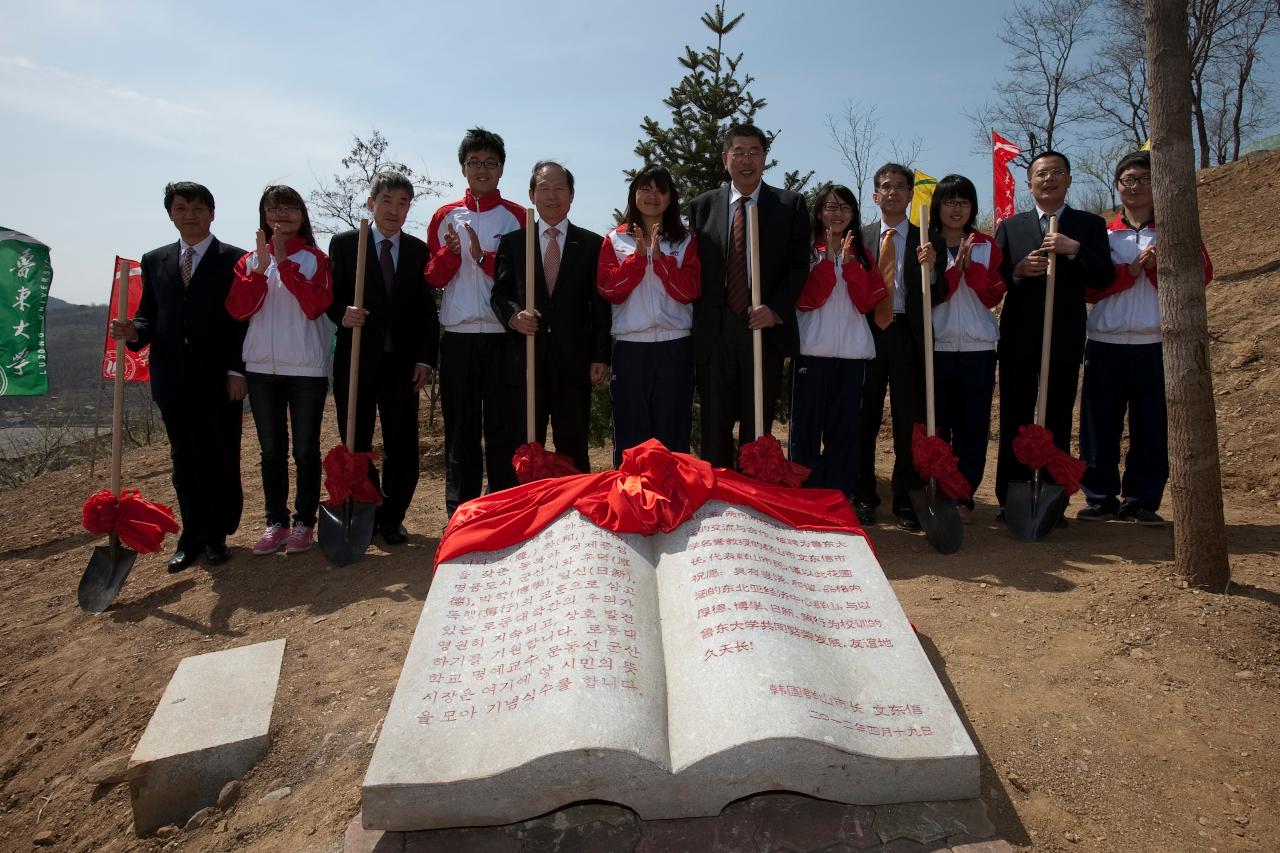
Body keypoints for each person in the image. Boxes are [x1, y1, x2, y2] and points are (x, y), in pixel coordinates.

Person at [109, 181, 247, 572]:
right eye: (182, 207)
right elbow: (150, 314)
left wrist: (238, 370)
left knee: (220, 455)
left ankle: (217, 535)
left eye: (199, 208)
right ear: (171, 214)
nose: (191, 214)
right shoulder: (154, 260)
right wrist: (134, 331)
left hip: (219, 378)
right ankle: (192, 536)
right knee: (184, 460)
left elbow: (241, 321)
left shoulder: (235, 260)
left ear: (212, 213)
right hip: (171, 377)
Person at [1078, 150, 1213, 526]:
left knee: (1152, 426)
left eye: (1144, 180)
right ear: (1117, 186)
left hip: (1157, 343)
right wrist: (1129, 272)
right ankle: (1100, 496)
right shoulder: (1102, 234)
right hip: (1105, 342)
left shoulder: (1176, 231)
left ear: (1158, 186)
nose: (1135, 187)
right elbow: (1086, 289)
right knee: (1098, 424)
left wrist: (1158, 269)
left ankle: (1141, 500)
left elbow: (1201, 277)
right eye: (1128, 180)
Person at [994, 150, 1112, 518]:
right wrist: (1016, 271)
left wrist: (1073, 250)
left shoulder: (1090, 225)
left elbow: (1104, 277)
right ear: (1029, 184)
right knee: (1016, 414)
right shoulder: (1011, 227)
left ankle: (1053, 498)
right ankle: (1009, 497)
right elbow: (992, 282)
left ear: (1069, 180)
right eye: (1041, 174)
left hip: (1064, 336)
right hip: (1018, 336)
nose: (1049, 179)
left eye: (1057, 173)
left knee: (1058, 415)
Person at [687, 123, 810, 469]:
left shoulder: (789, 205)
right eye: (738, 152)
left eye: (754, 152)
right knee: (715, 421)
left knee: (758, 422)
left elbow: (800, 266)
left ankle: (753, 494)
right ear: (725, 158)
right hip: (715, 330)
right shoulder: (702, 207)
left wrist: (776, 310)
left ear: (765, 158)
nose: (746, 159)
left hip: (763, 329)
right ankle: (719, 494)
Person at [327, 171, 439, 545]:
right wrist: (343, 313)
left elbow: (426, 313)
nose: (394, 210)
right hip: (357, 360)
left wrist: (425, 359)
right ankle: (367, 507)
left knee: (402, 444)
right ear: (371, 203)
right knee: (356, 440)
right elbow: (331, 299)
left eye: (403, 203)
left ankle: (393, 517)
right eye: (387, 201)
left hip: (402, 366)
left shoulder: (417, 250)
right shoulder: (345, 245)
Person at [226, 185, 333, 555]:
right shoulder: (248, 260)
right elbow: (238, 311)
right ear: (264, 216)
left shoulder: (316, 258)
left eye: (290, 207)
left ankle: (305, 522)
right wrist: (257, 270)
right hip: (261, 369)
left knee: (305, 450)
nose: (282, 214)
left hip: (306, 369)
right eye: (274, 208)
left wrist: (284, 264)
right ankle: (276, 522)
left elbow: (315, 305)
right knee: (271, 452)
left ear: (302, 214)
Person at [425, 128, 527, 515]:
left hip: (505, 336)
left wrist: (483, 256)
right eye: (475, 163)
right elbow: (433, 278)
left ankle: (505, 507)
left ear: (501, 169)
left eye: (490, 163)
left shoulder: (517, 216)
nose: (482, 169)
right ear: (463, 168)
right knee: (461, 430)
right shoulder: (444, 216)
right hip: (459, 337)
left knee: (504, 429)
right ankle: (461, 511)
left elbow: (519, 281)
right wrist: (450, 256)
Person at [492, 161, 610, 473]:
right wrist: (514, 316)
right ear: (531, 194)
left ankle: (575, 514)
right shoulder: (514, 243)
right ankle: (525, 513)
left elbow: (600, 306)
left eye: (560, 189)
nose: (552, 196)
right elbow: (499, 294)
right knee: (523, 445)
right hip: (526, 361)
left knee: (573, 445)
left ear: (571, 195)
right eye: (544, 188)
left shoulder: (591, 244)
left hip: (573, 364)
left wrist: (600, 355)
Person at [855, 164, 945, 530]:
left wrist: (934, 269)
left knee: (910, 419)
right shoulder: (861, 237)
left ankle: (907, 497)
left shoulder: (928, 238)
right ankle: (863, 494)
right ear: (875, 196)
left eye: (900, 187)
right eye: (885, 187)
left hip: (909, 333)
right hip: (868, 334)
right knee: (864, 417)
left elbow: (938, 293)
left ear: (910, 194)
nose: (892, 193)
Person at [597, 164, 701, 465]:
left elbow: (689, 291)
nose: (652, 196)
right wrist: (639, 259)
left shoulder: (685, 240)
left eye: (660, 190)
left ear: (670, 199)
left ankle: (676, 501)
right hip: (631, 348)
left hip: (675, 345)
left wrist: (661, 259)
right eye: (645, 188)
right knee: (631, 431)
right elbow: (609, 289)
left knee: (673, 429)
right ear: (634, 194)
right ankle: (630, 501)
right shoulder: (614, 240)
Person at [918, 174, 1007, 524]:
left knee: (972, 427)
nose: (957, 209)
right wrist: (951, 270)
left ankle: (963, 495)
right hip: (936, 346)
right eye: (950, 201)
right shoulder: (925, 244)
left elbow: (993, 295)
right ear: (937, 205)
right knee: (937, 424)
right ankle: (936, 488)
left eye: (964, 202)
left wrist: (973, 272)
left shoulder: (986, 245)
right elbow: (925, 296)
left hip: (977, 348)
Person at [789, 184, 883, 500]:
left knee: (844, 431)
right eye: (830, 206)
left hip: (853, 356)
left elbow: (868, 301)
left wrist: (850, 265)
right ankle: (804, 495)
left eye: (844, 207)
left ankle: (836, 496)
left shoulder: (863, 255)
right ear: (818, 212)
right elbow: (805, 301)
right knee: (806, 430)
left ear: (854, 214)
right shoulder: (805, 251)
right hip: (812, 353)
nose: (837, 213)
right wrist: (828, 264)